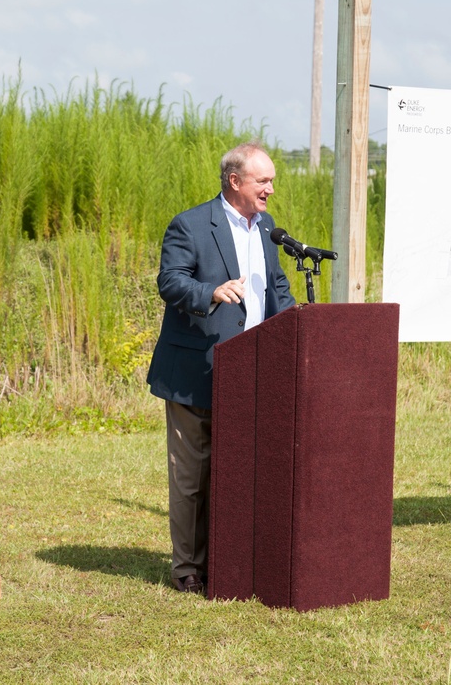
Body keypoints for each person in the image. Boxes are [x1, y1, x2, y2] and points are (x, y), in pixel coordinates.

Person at [146, 140, 296, 595]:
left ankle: (231, 559)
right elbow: (170, 282)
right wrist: (209, 292)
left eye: (272, 180)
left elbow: (276, 287)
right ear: (235, 181)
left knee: (239, 472)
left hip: (253, 373)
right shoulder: (190, 225)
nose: (271, 188)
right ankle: (188, 569)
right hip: (198, 372)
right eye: (263, 180)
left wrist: (299, 326)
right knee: (193, 478)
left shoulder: (266, 227)